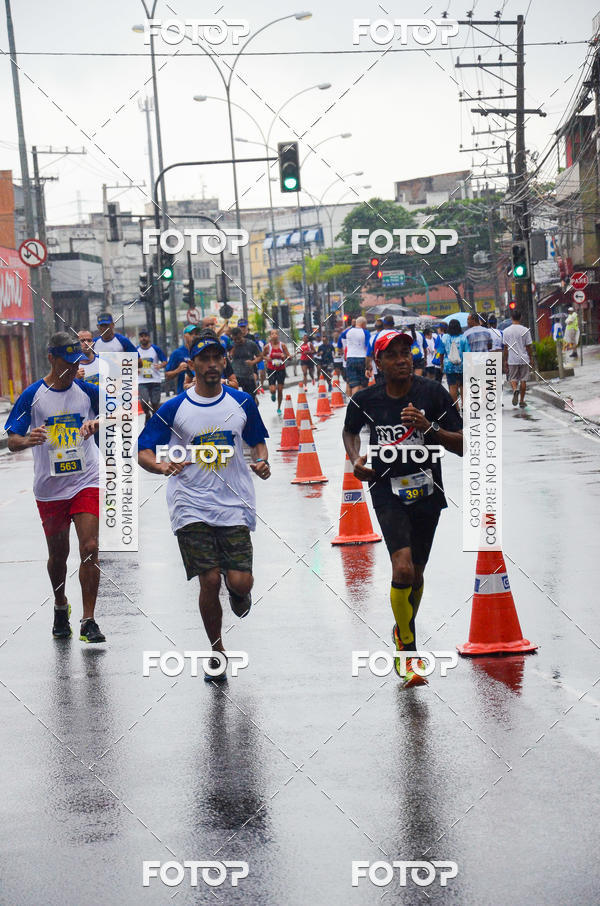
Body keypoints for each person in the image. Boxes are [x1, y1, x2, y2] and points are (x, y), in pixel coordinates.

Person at [137, 331, 270, 681]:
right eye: (204, 359)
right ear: (192, 364)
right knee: (208, 580)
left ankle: (239, 592)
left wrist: (262, 462)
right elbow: (144, 450)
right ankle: (217, 651)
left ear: (224, 361)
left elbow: (258, 443)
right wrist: (161, 465)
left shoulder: (242, 402)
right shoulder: (173, 408)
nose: (211, 365)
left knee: (240, 582)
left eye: (217, 358)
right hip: (190, 504)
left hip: (234, 504)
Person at [342, 330, 463, 688]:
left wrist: (430, 428)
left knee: (418, 575)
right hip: (386, 489)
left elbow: (462, 444)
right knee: (403, 567)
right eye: (392, 354)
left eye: (406, 352)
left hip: (427, 490)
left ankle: (401, 629)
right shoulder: (367, 399)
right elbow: (350, 432)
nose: (402, 359)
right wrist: (354, 460)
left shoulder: (433, 393)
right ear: (377, 362)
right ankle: (409, 652)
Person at [4, 332, 105, 643]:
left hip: (86, 479)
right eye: (67, 362)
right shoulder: (32, 396)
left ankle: (89, 620)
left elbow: (114, 414)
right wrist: (28, 439)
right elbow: (11, 440)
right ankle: (61, 605)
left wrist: (97, 423)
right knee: (58, 556)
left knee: (89, 548)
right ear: (51, 358)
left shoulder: (87, 391)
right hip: (50, 489)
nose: (73, 369)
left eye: (77, 363)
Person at [502, 309, 533, 408]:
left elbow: (505, 347)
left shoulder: (506, 331)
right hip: (524, 358)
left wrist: (505, 360)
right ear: (521, 318)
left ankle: (515, 389)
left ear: (511, 318)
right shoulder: (525, 330)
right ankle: (522, 401)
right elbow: (528, 346)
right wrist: (531, 358)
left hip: (512, 359)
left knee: (513, 378)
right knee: (523, 380)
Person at [137, 328, 166, 424]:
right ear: (139, 338)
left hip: (155, 380)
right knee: (144, 401)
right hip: (142, 381)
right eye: (141, 336)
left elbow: (165, 361)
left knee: (155, 403)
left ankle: (154, 420)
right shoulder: (136, 350)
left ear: (149, 337)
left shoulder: (155, 349)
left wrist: (160, 365)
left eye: (145, 336)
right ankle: (147, 414)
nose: (143, 338)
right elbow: (131, 362)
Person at [337, 316, 371, 396]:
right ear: (363, 324)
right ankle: (362, 404)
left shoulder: (347, 332)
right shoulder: (365, 332)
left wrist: (342, 352)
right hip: (362, 359)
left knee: (354, 384)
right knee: (363, 384)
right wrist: (369, 363)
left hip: (350, 359)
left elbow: (339, 344)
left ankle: (354, 404)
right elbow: (368, 347)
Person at [165, 324, 201, 394]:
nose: (194, 336)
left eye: (196, 334)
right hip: (184, 393)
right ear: (184, 336)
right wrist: (178, 370)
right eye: (190, 333)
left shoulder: (202, 351)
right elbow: (167, 375)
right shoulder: (177, 353)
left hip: (201, 393)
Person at [441, 319, 469, 406]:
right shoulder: (463, 337)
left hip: (449, 366)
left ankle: (456, 408)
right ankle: (464, 405)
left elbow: (441, 352)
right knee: (463, 386)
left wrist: (441, 364)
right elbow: (467, 353)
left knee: (452, 387)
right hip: (462, 366)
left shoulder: (445, 337)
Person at [229, 326, 263, 398]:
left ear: (242, 335)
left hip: (248, 376)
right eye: (235, 339)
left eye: (238, 338)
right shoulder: (231, 345)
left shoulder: (250, 344)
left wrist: (253, 362)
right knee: (238, 399)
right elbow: (226, 358)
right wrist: (231, 353)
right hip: (236, 376)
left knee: (251, 398)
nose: (237, 341)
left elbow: (260, 356)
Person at [263, 329, 290, 413]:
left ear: (278, 335)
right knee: (273, 389)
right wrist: (268, 358)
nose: (274, 335)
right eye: (272, 334)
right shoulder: (267, 347)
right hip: (271, 369)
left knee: (280, 389)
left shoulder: (283, 346)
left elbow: (289, 356)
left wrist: (284, 355)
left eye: (276, 333)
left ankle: (279, 407)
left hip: (281, 369)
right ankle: (273, 394)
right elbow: (262, 356)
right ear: (270, 336)